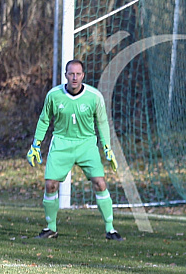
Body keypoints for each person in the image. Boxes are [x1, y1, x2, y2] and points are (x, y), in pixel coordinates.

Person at [26, 59, 122, 241]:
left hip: (86, 144)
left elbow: (102, 122)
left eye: (78, 74)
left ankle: (110, 230)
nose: (75, 77)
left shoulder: (94, 96)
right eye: (71, 74)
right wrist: (35, 144)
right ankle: (50, 228)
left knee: (100, 183)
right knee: (50, 185)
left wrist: (107, 146)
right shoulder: (54, 95)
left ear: (83, 76)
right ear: (66, 75)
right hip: (61, 143)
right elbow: (44, 119)